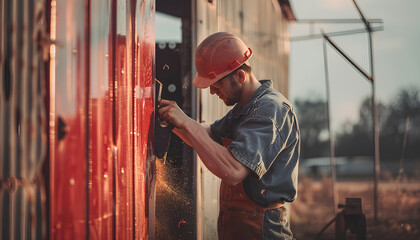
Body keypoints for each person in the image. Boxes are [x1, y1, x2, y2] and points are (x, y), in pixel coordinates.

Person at [158, 32, 300, 240]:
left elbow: (234, 170)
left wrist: (186, 123)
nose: (213, 92)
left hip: (263, 227)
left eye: (217, 85)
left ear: (240, 76)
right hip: (239, 221)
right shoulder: (246, 108)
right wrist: (173, 121)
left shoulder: (270, 111)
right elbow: (209, 135)